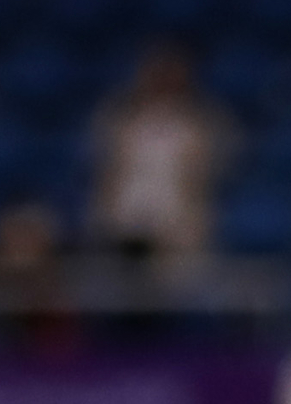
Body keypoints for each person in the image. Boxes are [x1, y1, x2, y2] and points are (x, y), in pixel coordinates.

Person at [85, 44, 229, 271]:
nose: (163, 83)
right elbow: (108, 172)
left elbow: (204, 179)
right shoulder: (121, 120)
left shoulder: (200, 124)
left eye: (170, 75)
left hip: (177, 227)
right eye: (158, 75)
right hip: (126, 222)